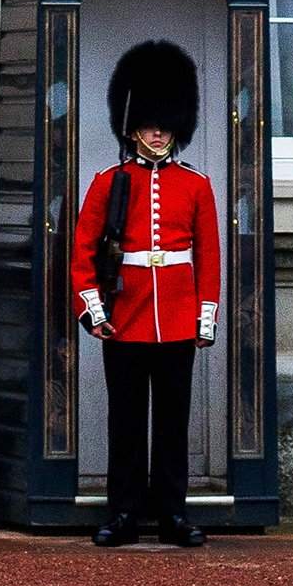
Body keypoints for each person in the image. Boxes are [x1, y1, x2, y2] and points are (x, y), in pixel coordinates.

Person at [70, 40, 221, 548]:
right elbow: (83, 252)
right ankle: (125, 513)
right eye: (150, 122)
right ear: (131, 126)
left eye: (165, 122)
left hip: (177, 317)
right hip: (127, 316)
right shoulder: (108, 182)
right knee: (127, 423)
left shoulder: (196, 185)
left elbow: (209, 257)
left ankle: (172, 514)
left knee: (173, 422)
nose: (158, 131)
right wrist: (93, 310)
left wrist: (204, 317)